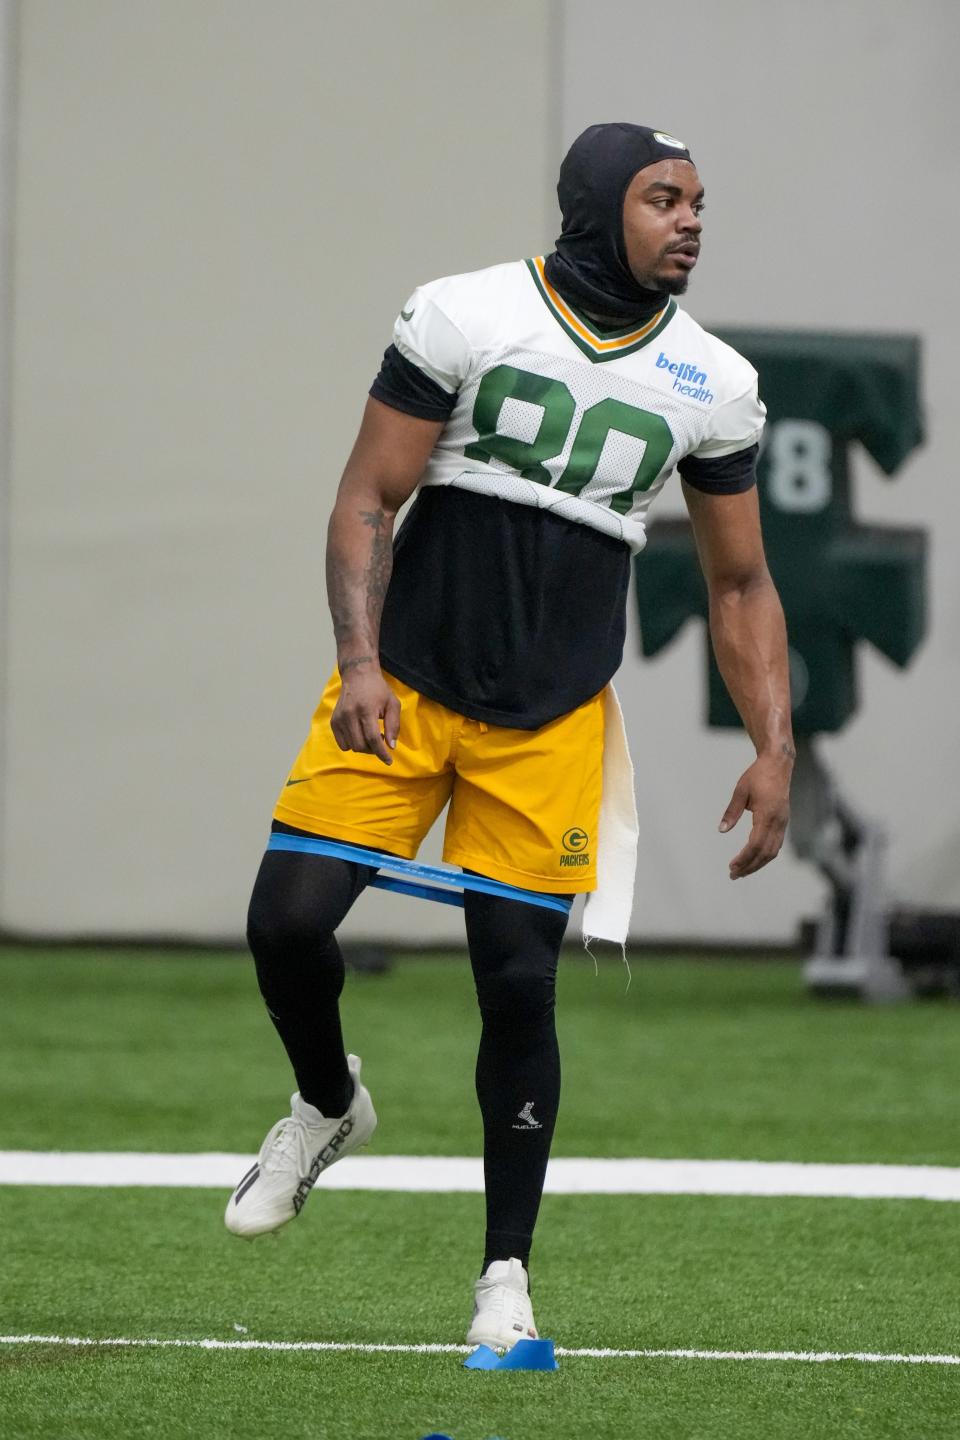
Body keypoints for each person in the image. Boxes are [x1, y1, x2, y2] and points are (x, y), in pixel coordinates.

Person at [224, 123, 795, 1349]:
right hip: (408, 684)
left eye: (699, 201)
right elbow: (367, 496)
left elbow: (741, 583)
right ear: (597, 205)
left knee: (519, 983)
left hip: (550, 716)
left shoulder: (716, 382)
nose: (691, 220)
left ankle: (504, 1286)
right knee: (284, 920)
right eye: (663, 197)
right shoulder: (465, 314)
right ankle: (328, 1103)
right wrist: (359, 662)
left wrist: (775, 744)